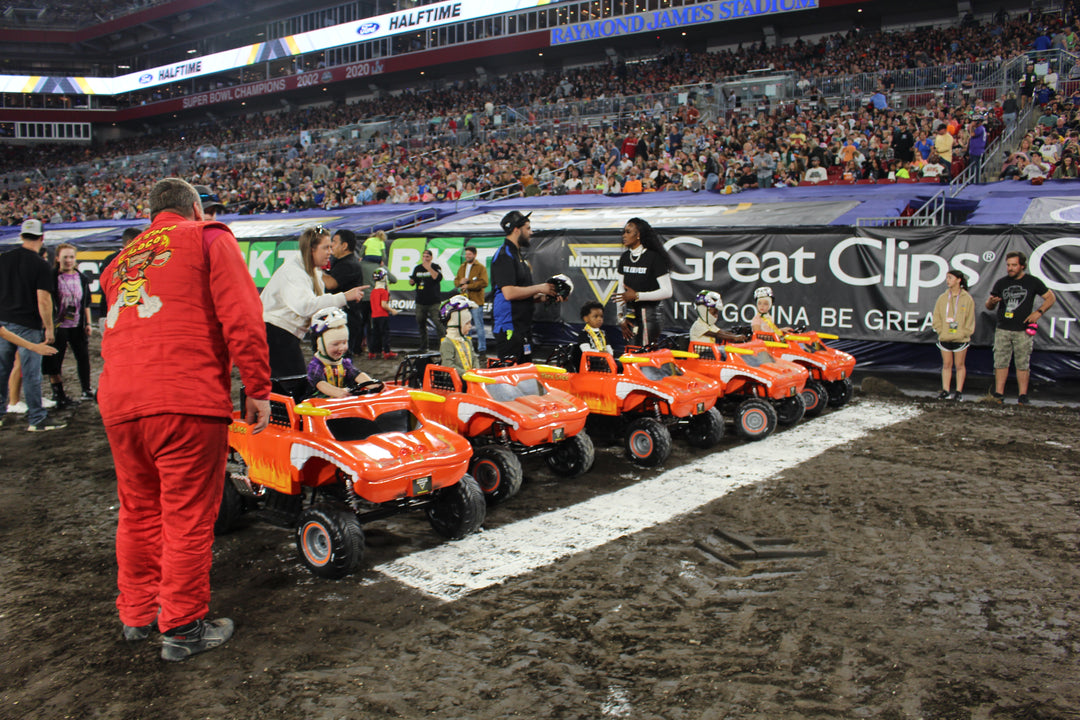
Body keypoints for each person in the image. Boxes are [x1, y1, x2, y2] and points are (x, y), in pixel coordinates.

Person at [98, 177, 270, 662]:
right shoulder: (209, 236)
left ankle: (136, 613)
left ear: (152, 214)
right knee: (188, 515)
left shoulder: (119, 263)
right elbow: (242, 316)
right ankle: (183, 627)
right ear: (195, 206)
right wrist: (257, 388)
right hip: (183, 395)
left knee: (137, 510)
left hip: (119, 401)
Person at [261, 225, 365, 377]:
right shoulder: (293, 272)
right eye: (326, 247)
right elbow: (305, 306)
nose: (330, 252)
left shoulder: (314, 271)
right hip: (274, 333)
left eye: (331, 246)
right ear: (311, 249)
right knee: (292, 383)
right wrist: (343, 297)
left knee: (289, 383)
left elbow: (316, 307)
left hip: (285, 334)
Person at [0, 219, 64, 432]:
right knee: (30, 374)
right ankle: (36, 419)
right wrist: (49, 327)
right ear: (42, 237)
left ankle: (1, 414)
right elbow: (43, 299)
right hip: (29, 325)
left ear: (21, 236)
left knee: (2, 370)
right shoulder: (40, 264)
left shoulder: (4, 259)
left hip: (4, 324)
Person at [985, 251, 1056, 404]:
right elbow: (989, 306)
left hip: (1023, 329)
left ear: (1022, 266)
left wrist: (1038, 312)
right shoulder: (1001, 283)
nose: (1010, 268)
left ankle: (1022, 395)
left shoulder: (1032, 282)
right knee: (1000, 361)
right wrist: (992, 302)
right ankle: (998, 393)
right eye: (1008, 265)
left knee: (1022, 362)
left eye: (1014, 265)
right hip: (1003, 327)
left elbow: (1051, 297)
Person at [490, 210, 557, 363]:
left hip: (523, 326)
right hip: (509, 327)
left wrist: (547, 295)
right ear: (516, 230)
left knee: (525, 373)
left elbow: (526, 293)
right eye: (528, 228)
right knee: (511, 377)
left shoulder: (519, 256)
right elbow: (509, 293)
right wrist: (540, 287)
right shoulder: (504, 255)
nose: (531, 232)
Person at [43, 242, 94, 407]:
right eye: (65, 257)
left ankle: (86, 389)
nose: (68, 260)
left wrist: (88, 323)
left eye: (71, 257)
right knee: (55, 360)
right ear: (57, 258)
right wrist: (48, 326)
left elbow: (86, 302)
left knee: (83, 357)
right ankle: (58, 394)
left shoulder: (82, 278)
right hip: (58, 327)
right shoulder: (51, 277)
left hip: (77, 325)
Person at [615, 217, 672, 347]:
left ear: (638, 235)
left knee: (644, 352)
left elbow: (667, 291)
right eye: (624, 232)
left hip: (650, 314)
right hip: (630, 313)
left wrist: (638, 296)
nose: (624, 235)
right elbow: (620, 290)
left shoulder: (654, 258)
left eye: (628, 232)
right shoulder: (625, 257)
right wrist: (620, 317)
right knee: (630, 352)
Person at [321, 229, 370, 357]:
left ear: (344, 246)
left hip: (345, 319)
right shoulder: (340, 262)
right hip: (338, 317)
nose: (331, 245)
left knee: (339, 357)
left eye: (334, 241)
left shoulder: (349, 264)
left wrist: (314, 270)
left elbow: (331, 283)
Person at [306, 308, 373, 398]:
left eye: (344, 343)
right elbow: (320, 384)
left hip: (340, 405)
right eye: (335, 344)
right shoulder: (316, 365)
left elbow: (357, 374)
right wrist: (337, 392)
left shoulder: (344, 363)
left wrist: (372, 384)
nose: (341, 348)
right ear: (321, 344)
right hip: (320, 407)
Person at [931, 270, 976, 401]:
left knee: (960, 365)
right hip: (945, 337)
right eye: (947, 278)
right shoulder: (942, 298)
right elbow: (937, 316)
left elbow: (970, 319)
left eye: (950, 278)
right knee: (946, 364)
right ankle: (945, 390)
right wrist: (940, 330)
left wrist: (964, 333)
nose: (947, 280)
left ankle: (958, 391)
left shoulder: (967, 298)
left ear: (958, 280)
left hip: (960, 338)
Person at [454, 246, 488, 355]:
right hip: (464, 302)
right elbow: (456, 281)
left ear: (474, 255)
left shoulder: (480, 267)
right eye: (466, 254)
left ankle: (482, 349)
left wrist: (469, 286)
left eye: (469, 254)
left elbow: (484, 283)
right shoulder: (462, 267)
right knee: (463, 326)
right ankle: (465, 348)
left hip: (476, 301)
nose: (467, 256)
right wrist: (460, 282)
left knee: (479, 326)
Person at [409, 249, 445, 352]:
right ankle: (424, 346)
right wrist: (411, 282)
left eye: (427, 257)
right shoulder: (417, 268)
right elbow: (413, 281)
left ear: (431, 258)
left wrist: (429, 268)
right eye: (424, 256)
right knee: (421, 323)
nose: (425, 258)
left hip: (433, 301)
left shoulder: (435, 267)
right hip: (420, 301)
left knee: (438, 323)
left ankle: (443, 345)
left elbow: (437, 278)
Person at [439, 295, 479, 372]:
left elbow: (474, 358)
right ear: (456, 324)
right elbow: (448, 365)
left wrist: (476, 371)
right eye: (467, 323)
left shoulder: (467, 341)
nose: (470, 326)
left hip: (471, 379)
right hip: (455, 381)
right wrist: (466, 374)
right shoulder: (447, 343)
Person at [366, 268, 398, 359]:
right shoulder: (383, 292)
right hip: (383, 315)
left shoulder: (373, 292)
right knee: (385, 334)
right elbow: (383, 305)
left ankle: (373, 352)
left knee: (375, 334)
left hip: (374, 315)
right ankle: (387, 352)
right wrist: (392, 310)